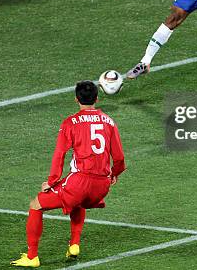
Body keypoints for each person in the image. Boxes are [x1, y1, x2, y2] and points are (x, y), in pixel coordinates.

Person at [10, 81, 126, 267]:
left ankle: (32, 257)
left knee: (36, 205)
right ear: (97, 98)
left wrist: (51, 182)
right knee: (78, 201)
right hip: (102, 184)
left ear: (76, 99)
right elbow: (119, 158)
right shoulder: (109, 121)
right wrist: (114, 174)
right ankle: (74, 245)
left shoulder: (70, 122)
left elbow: (59, 154)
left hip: (80, 182)